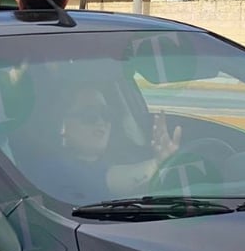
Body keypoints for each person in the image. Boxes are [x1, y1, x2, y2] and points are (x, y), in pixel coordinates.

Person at [49, 86, 181, 201]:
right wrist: (157, 164)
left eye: (106, 114)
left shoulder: (123, 154)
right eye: (89, 114)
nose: (100, 122)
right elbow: (109, 179)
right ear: (62, 125)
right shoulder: (57, 168)